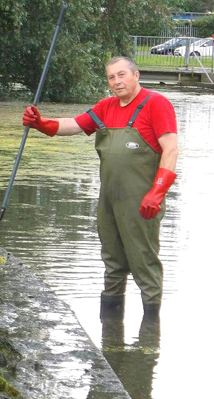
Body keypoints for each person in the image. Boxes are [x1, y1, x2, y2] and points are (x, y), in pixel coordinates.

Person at [23, 56, 178, 317]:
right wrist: (41, 123)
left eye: (121, 75)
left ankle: (151, 331)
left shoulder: (156, 104)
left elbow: (171, 149)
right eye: (111, 77)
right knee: (112, 261)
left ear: (136, 75)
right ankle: (110, 328)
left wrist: (157, 193)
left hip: (142, 202)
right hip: (108, 199)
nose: (116, 82)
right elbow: (74, 124)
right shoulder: (106, 107)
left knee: (143, 262)